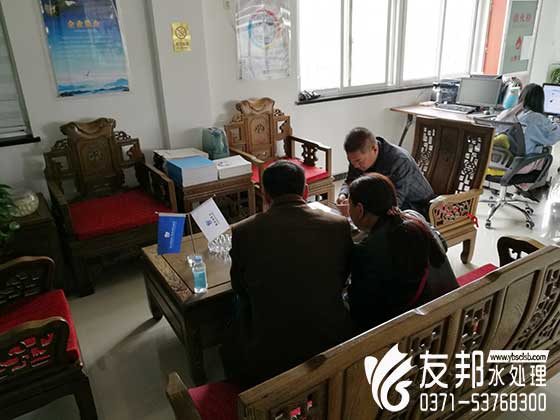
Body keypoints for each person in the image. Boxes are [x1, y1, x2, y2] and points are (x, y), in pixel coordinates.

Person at [221, 160, 354, 386]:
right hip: (330, 334)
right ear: (305, 191)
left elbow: (239, 287)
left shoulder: (244, 231)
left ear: (265, 195)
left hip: (270, 348)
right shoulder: (338, 224)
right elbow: (343, 277)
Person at [346, 173, 458, 331]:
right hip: (450, 311)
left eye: (349, 204)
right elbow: (443, 246)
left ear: (360, 209)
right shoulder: (414, 217)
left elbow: (359, 304)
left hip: (415, 328)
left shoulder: (367, 249)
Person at [337, 127, 435, 219]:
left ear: (374, 149)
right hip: (385, 200)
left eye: (358, 161)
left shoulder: (399, 160)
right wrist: (343, 195)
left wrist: (359, 209)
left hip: (418, 206)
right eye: (351, 161)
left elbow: (394, 204)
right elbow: (351, 180)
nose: (355, 166)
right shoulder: (357, 159)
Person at [497, 83, 560, 154]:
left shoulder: (505, 113)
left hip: (500, 158)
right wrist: (557, 124)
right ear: (540, 100)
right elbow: (551, 138)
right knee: (546, 148)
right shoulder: (537, 118)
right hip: (522, 159)